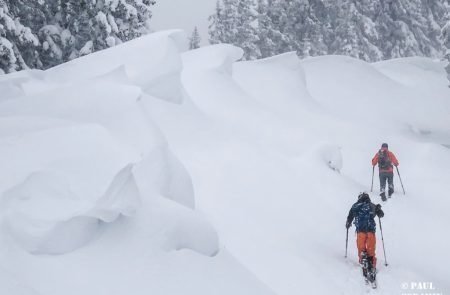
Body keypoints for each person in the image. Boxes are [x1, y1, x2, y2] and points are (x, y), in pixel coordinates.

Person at [346, 192, 384, 271]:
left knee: (361, 247)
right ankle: (372, 262)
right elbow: (381, 214)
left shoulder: (355, 206)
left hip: (361, 230)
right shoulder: (372, 205)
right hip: (371, 230)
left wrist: (348, 223)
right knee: (371, 249)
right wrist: (379, 210)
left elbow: (350, 216)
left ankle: (362, 259)